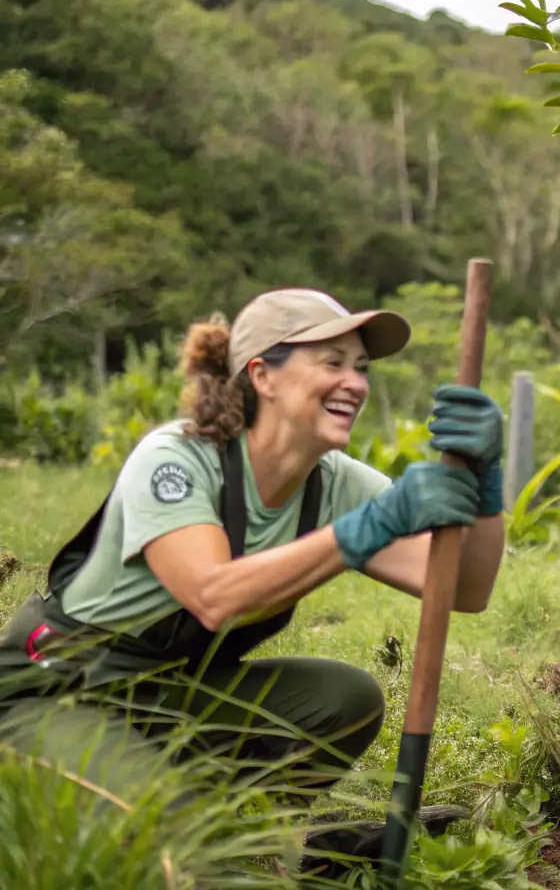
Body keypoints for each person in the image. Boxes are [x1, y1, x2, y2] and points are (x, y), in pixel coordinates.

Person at [0, 287, 507, 802]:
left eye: (361, 368)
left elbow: (464, 589)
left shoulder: (337, 483)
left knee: (346, 699)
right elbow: (214, 596)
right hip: (61, 690)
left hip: (172, 697)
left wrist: (487, 485)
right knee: (156, 825)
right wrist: (368, 527)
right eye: (333, 363)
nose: (354, 384)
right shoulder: (178, 458)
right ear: (262, 376)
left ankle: (258, 834)